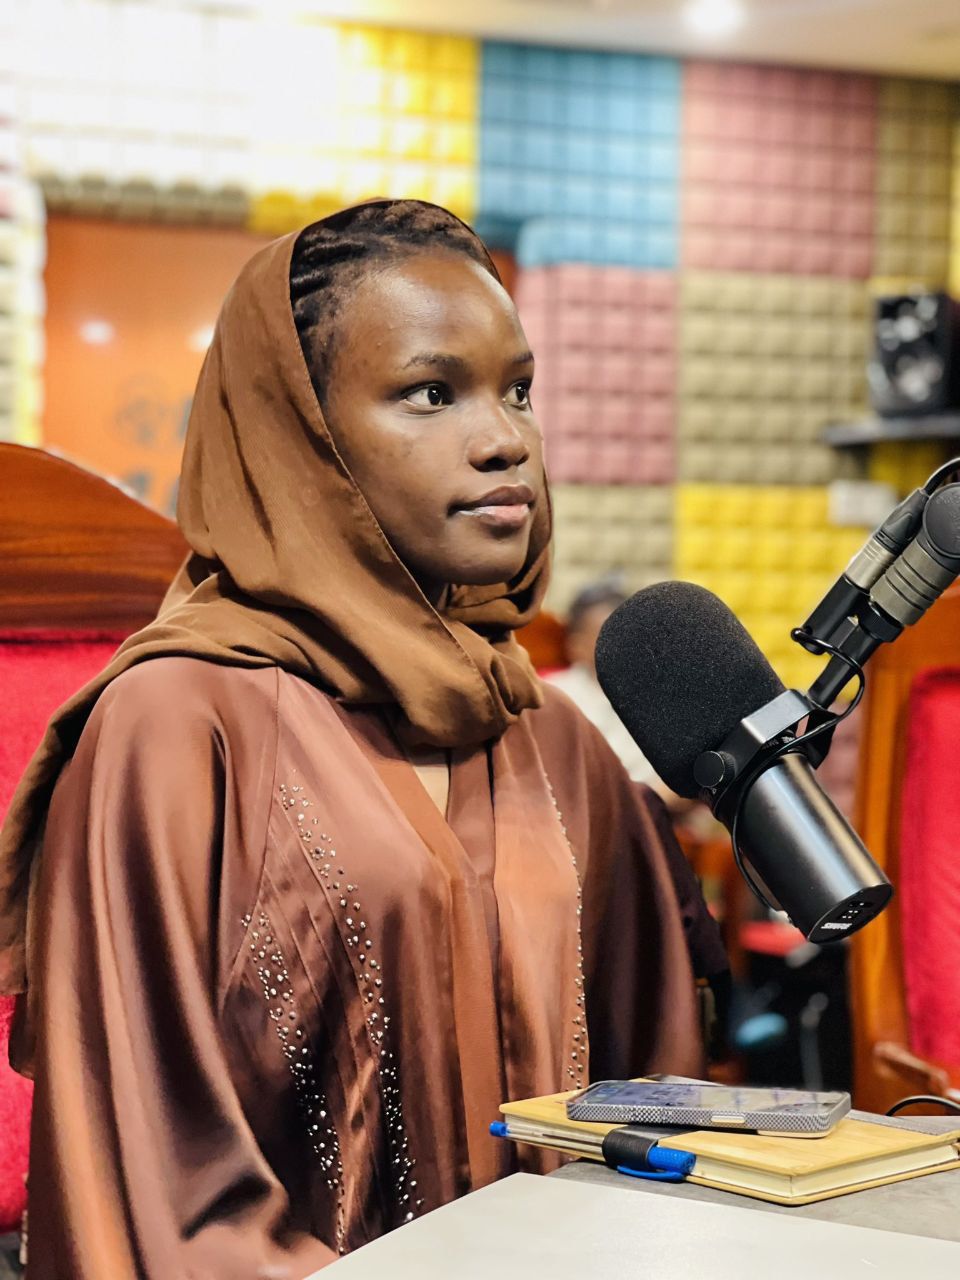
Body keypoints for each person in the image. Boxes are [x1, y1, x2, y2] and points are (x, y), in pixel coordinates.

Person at [0, 200, 725, 1278]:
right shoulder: (174, 729)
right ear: (301, 438)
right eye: (432, 392)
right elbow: (155, 1196)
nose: (506, 439)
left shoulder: (551, 733)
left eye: (518, 390)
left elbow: (661, 1106)